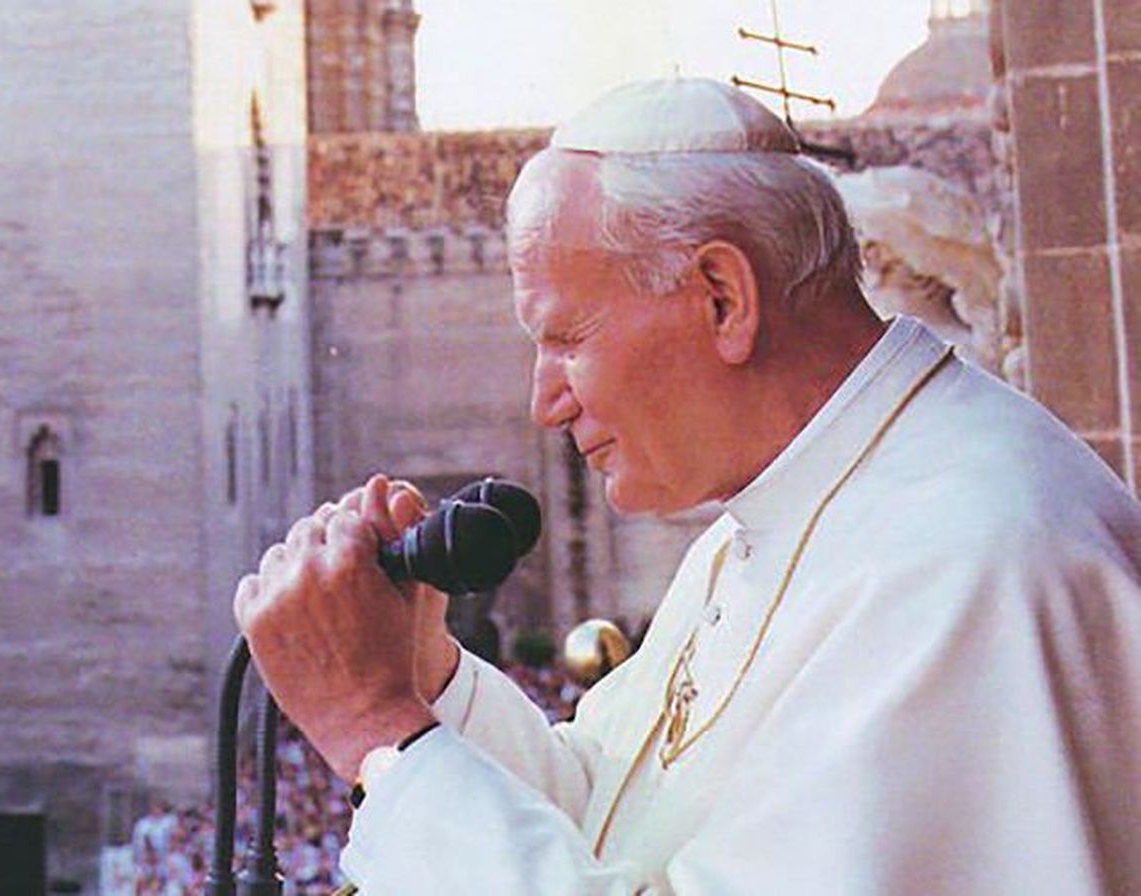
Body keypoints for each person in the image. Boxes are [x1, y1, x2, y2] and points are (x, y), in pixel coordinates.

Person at [233, 78, 1141, 893]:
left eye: (566, 339)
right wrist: (423, 676)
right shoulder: (773, 520)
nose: (545, 400)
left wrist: (373, 728)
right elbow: (606, 813)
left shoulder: (966, 563)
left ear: (721, 297)